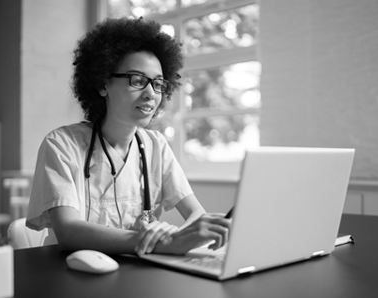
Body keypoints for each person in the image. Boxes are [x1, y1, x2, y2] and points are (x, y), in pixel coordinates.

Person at [26, 17, 231, 256]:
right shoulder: (61, 145)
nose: (150, 94)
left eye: (157, 84)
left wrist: (184, 236)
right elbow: (69, 231)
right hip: (73, 274)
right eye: (137, 80)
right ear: (103, 83)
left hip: (137, 274)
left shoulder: (156, 146)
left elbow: (196, 213)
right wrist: (161, 243)